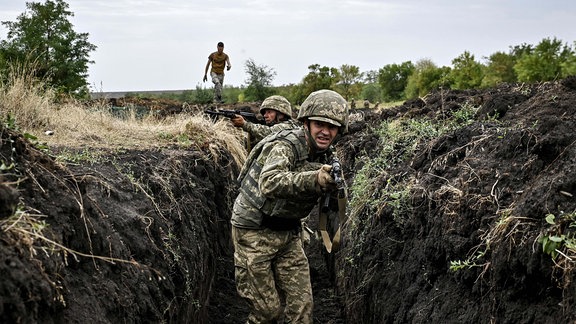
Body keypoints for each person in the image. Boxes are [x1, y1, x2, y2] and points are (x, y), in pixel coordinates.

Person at [231, 89, 349, 323]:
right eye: (319, 124)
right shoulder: (287, 145)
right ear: (306, 123)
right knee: (267, 312)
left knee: (301, 309)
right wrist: (313, 179)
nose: (325, 131)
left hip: (288, 233)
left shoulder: (327, 155)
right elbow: (269, 182)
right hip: (254, 232)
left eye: (332, 127)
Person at [230, 95, 300, 146]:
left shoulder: (287, 127)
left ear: (281, 114)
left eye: (269, 112)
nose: (265, 115)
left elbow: (269, 132)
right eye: (264, 112)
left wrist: (245, 124)